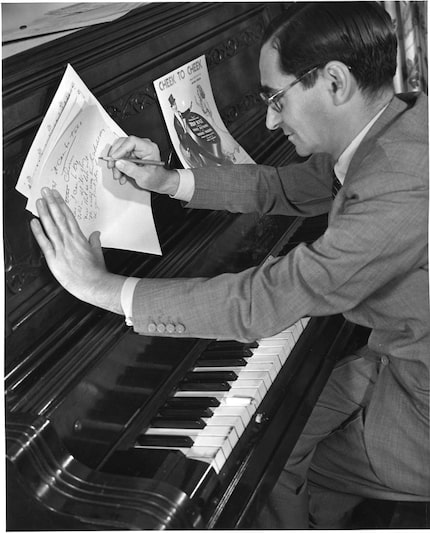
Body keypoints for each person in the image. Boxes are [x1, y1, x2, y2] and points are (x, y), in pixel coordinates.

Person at [30, 2, 429, 528]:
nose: (267, 119)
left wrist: (101, 287)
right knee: (278, 427)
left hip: (416, 404)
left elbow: (266, 300)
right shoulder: (398, 120)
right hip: (397, 355)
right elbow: (284, 187)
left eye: (275, 98)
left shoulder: (401, 181)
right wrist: (169, 181)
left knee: (262, 460)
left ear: (334, 81)